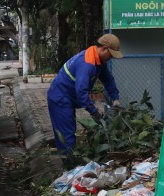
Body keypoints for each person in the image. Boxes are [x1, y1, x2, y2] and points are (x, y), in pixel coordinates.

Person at [46, 33, 123, 162]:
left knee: (69, 132)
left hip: (68, 96)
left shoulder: (99, 60)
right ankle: (68, 167)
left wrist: (115, 98)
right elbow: (81, 93)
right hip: (60, 99)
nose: (111, 58)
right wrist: (94, 112)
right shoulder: (87, 63)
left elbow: (108, 80)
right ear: (104, 49)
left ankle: (70, 161)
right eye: (111, 55)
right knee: (66, 135)